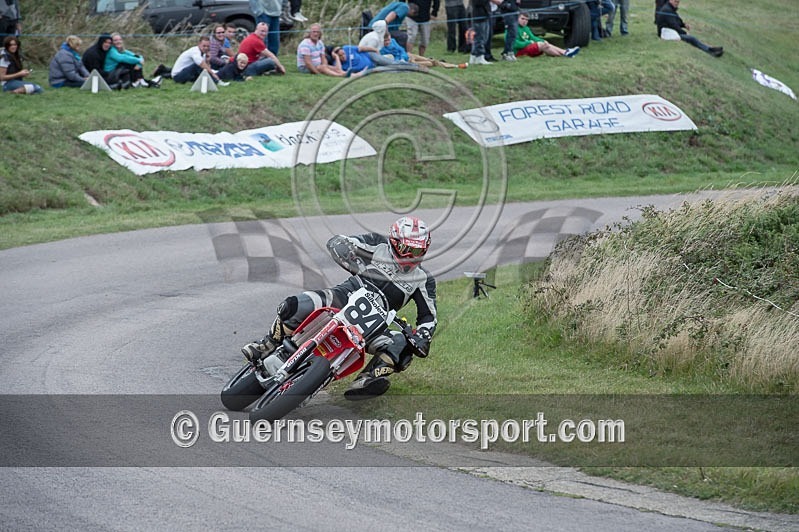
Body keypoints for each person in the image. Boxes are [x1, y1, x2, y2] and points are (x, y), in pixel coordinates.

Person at [240, 216, 437, 400]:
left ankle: (367, 379)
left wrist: (422, 336)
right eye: (406, 248)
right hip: (341, 298)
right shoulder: (377, 244)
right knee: (294, 304)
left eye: (417, 251)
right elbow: (342, 241)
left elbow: (429, 317)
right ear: (394, 242)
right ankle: (266, 345)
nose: (411, 256)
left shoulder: (423, 280)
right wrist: (346, 251)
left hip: (373, 327)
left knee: (402, 348)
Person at [656, 0, 723, 57]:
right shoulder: (667, 10)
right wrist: (684, 32)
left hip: (670, 31)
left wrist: (684, 25)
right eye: (675, 1)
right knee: (691, 38)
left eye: (678, 2)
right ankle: (710, 51)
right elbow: (674, 25)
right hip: (666, 33)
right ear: (670, 0)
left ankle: (710, 49)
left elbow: (676, 19)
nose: (676, 3)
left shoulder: (670, 8)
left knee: (691, 38)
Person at [512, 12, 580, 58]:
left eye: (526, 20)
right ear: (517, 19)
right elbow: (515, 44)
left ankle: (566, 53)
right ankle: (565, 52)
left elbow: (533, 37)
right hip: (518, 52)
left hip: (527, 48)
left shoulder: (526, 28)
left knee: (545, 44)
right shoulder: (512, 28)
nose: (524, 21)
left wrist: (543, 40)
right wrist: (529, 43)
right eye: (522, 19)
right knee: (540, 45)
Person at [468, 0, 492, 65]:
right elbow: (477, 2)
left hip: (485, 14)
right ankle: (479, 57)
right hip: (479, 16)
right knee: (480, 38)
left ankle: (473, 57)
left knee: (483, 38)